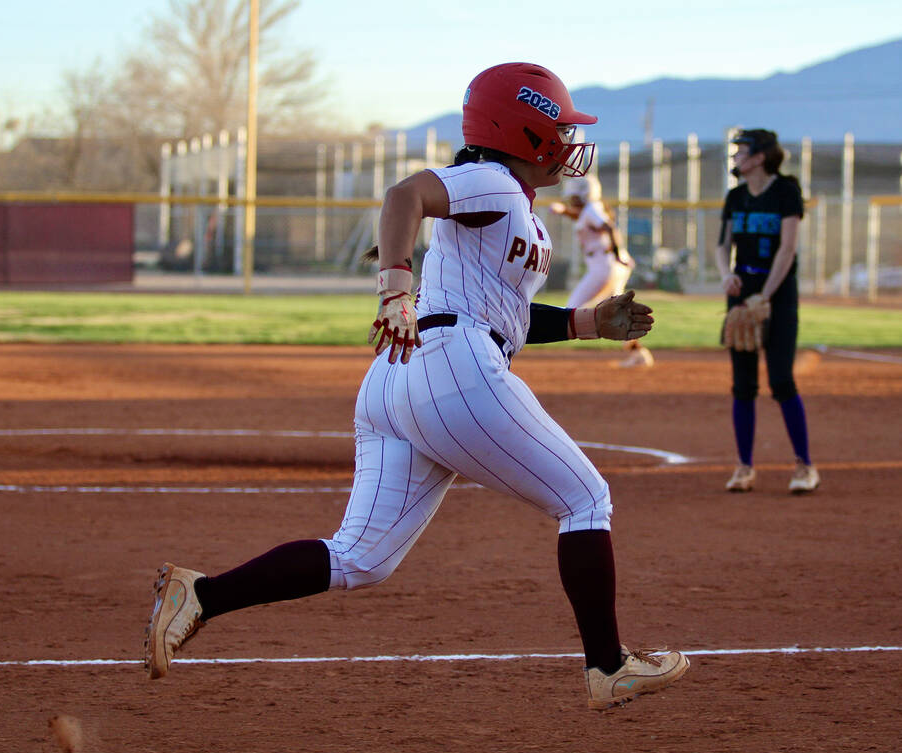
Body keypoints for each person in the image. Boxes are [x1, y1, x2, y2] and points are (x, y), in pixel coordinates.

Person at [143, 62, 688, 711]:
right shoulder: (492, 177)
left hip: (404, 373)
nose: (569, 141)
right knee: (585, 500)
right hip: (451, 364)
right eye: (560, 126)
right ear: (525, 130)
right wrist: (394, 288)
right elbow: (404, 196)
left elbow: (501, 314)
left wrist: (586, 323)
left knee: (358, 558)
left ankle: (201, 596)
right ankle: (608, 666)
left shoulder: (511, 201)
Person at [715, 128, 819, 494]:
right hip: (742, 293)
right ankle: (744, 467)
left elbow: (787, 249)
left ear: (760, 157)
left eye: (742, 151)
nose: (736, 157)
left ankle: (805, 466)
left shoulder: (786, 191)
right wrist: (726, 276)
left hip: (777, 296)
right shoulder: (736, 195)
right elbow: (722, 246)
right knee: (743, 385)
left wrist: (766, 295)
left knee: (781, 380)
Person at [549, 175, 654, 368]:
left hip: (605, 266)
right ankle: (638, 353)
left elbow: (609, 228)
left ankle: (600, 333)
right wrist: (564, 211)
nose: (571, 199)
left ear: (585, 194)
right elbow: (582, 217)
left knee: (571, 309)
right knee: (618, 311)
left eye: (574, 195)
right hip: (608, 265)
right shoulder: (590, 209)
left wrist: (617, 253)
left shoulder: (591, 209)